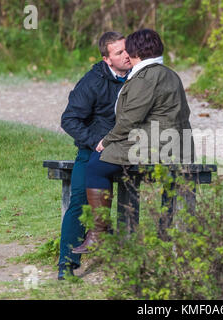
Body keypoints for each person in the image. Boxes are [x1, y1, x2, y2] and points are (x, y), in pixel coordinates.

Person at [71, 28, 194, 254]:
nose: (127, 54)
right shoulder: (168, 73)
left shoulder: (146, 76)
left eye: (129, 49)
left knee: (97, 166)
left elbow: (130, 118)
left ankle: (99, 233)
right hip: (176, 145)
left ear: (136, 51)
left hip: (157, 146)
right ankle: (158, 235)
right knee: (104, 160)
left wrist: (106, 141)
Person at [58, 31, 131, 280]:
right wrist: (94, 141)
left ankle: (128, 260)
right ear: (107, 59)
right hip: (93, 151)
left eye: (127, 49)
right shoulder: (92, 81)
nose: (126, 55)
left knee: (132, 196)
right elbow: (69, 119)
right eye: (119, 52)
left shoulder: (139, 76)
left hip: (129, 152)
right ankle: (66, 265)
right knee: (79, 201)